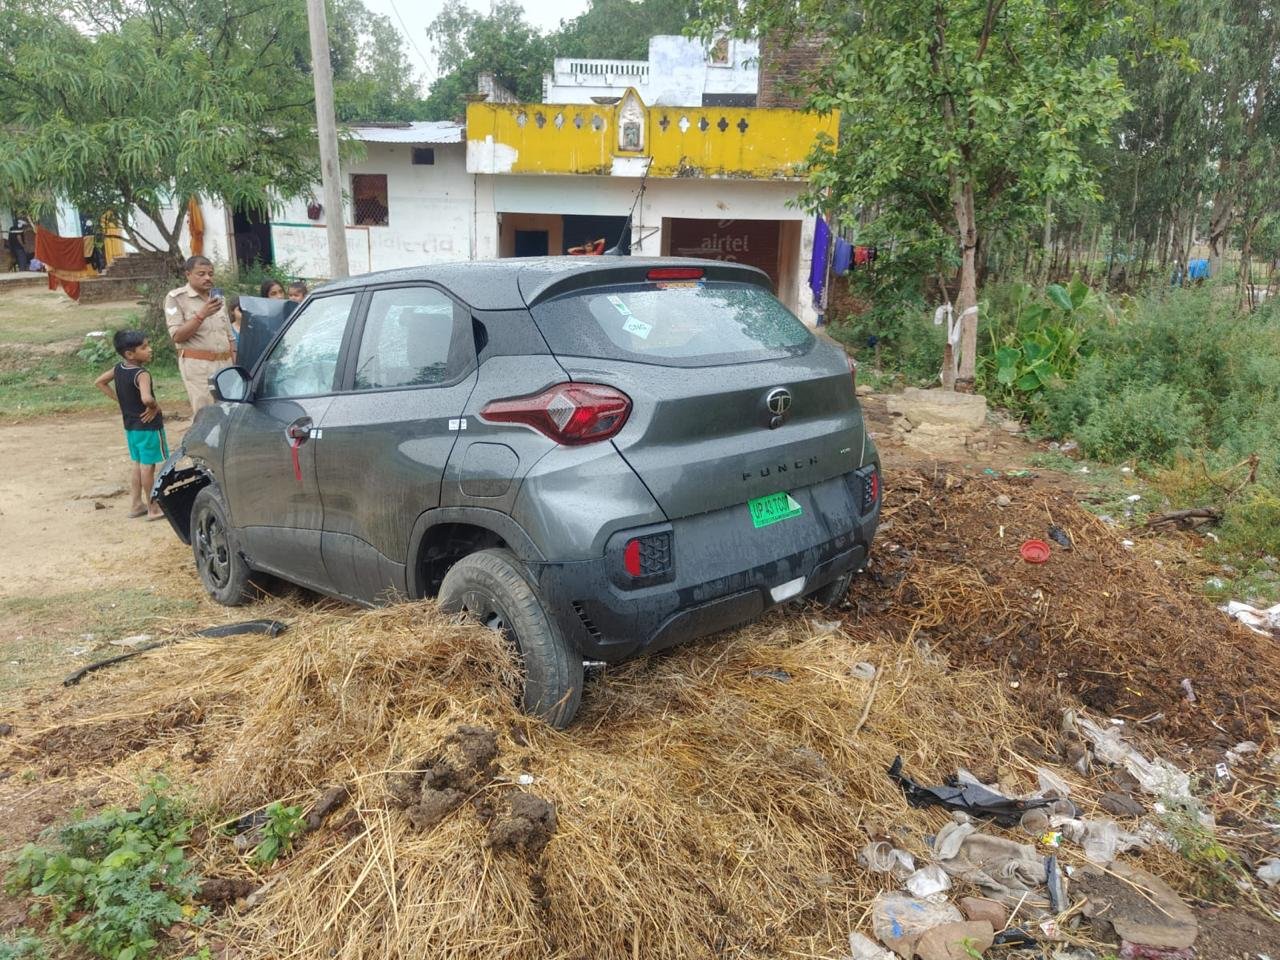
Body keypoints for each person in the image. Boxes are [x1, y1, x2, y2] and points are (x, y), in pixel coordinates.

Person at [94, 330, 169, 520]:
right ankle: (153, 507)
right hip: (148, 426)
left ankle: (136, 504)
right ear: (130, 354)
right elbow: (146, 397)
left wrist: (120, 400)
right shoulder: (142, 374)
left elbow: (100, 382)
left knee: (137, 464)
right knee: (148, 467)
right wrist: (154, 406)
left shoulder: (119, 368)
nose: (150, 350)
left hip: (131, 426)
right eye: (144, 347)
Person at [164, 256, 235, 413]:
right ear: (188, 274)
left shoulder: (218, 298)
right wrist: (202, 314)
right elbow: (177, 336)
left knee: (230, 410)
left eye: (211, 273)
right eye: (201, 274)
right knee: (206, 413)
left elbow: (229, 336)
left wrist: (235, 365)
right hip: (199, 366)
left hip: (226, 364)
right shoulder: (176, 298)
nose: (207, 278)